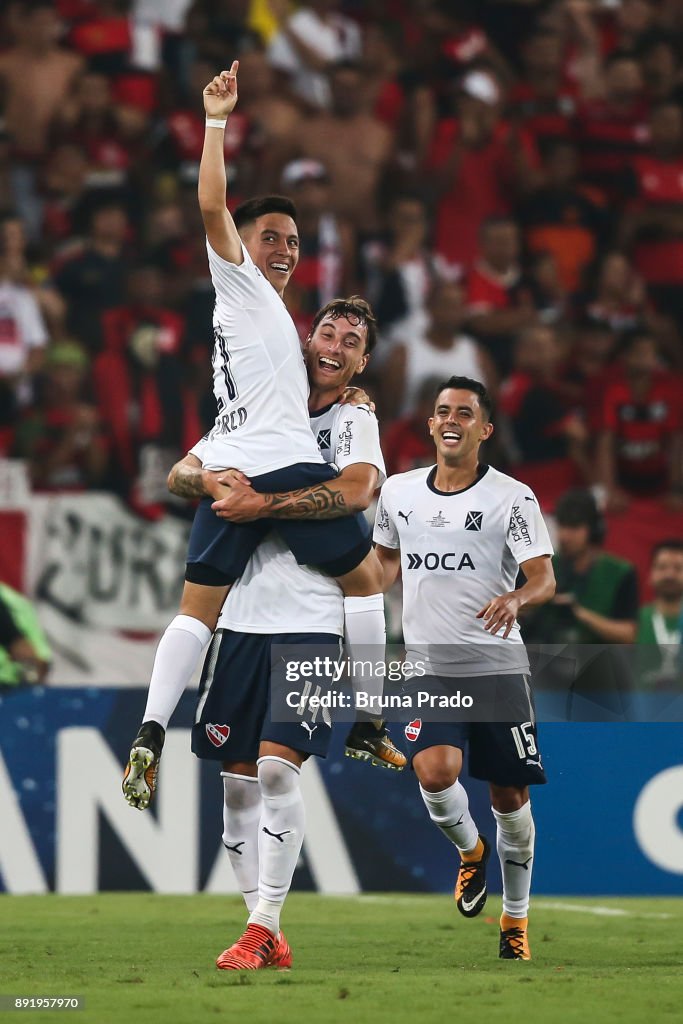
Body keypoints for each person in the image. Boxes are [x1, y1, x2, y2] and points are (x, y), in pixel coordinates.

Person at [122, 64, 392, 805]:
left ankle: (149, 728)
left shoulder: (248, 334)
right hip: (279, 467)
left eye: (294, 241)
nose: (284, 248)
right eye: (269, 235)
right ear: (239, 243)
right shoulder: (241, 284)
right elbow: (211, 203)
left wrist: (208, 479)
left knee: (193, 613)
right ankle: (369, 719)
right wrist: (216, 120)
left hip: (229, 463)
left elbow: (197, 456)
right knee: (366, 579)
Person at [160, 296, 395, 971]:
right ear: (306, 338)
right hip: (239, 621)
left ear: (361, 361)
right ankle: (263, 927)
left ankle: (263, 926)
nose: (335, 345)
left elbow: (356, 491)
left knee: (274, 768)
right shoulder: (255, 403)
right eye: (327, 330)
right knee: (235, 785)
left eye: (350, 340)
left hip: (314, 622)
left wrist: (263, 503)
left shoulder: (352, 416)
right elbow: (178, 474)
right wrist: (210, 479)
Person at [373, 375, 556, 961]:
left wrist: (516, 599)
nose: (452, 420)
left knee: (510, 799)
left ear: (484, 429)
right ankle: (471, 853)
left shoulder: (512, 496)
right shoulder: (398, 493)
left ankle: (516, 922)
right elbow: (382, 567)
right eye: (442, 411)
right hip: (427, 664)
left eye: (465, 413)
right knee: (433, 772)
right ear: (430, 424)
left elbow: (544, 577)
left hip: (497, 667)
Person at [636, 539, 683, 687]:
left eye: (678, 568)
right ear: (650, 574)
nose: (670, 575)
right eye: (662, 567)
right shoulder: (634, 620)